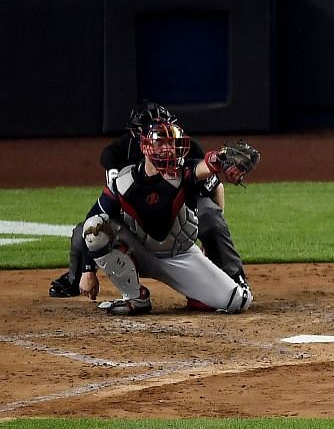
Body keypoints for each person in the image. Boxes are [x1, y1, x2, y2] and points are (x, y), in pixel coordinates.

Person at [49, 101, 251, 302]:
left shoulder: (185, 157)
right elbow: (96, 216)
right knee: (91, 229)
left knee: (211, 220)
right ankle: (123, 294)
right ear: (143, 141)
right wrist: (88, 270)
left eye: (169, 138)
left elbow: (214, 182)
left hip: (181, 232)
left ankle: (232, 276)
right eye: (158, 139)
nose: (167, 146)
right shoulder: (123, 164)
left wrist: (222, 158)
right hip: (138, 232)